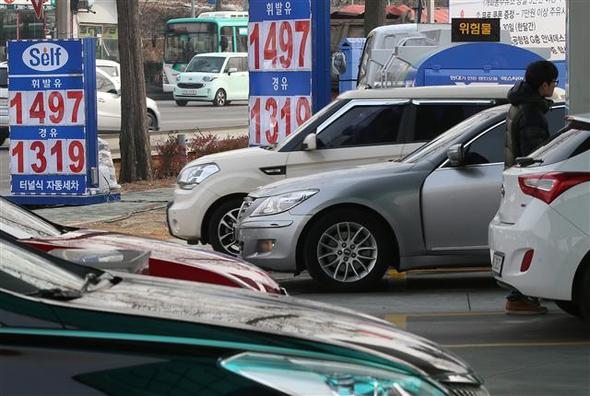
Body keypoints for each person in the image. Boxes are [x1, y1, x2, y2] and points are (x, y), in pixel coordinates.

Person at [504, 60, 559, 315]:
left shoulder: (520, 103)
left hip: (515, 180)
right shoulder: (532, 112)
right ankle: (518, 297)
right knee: (532, 237)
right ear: (544, 85)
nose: (555, 88)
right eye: (554, 83)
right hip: (530, 184)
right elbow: (536, 154)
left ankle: (522, 295)